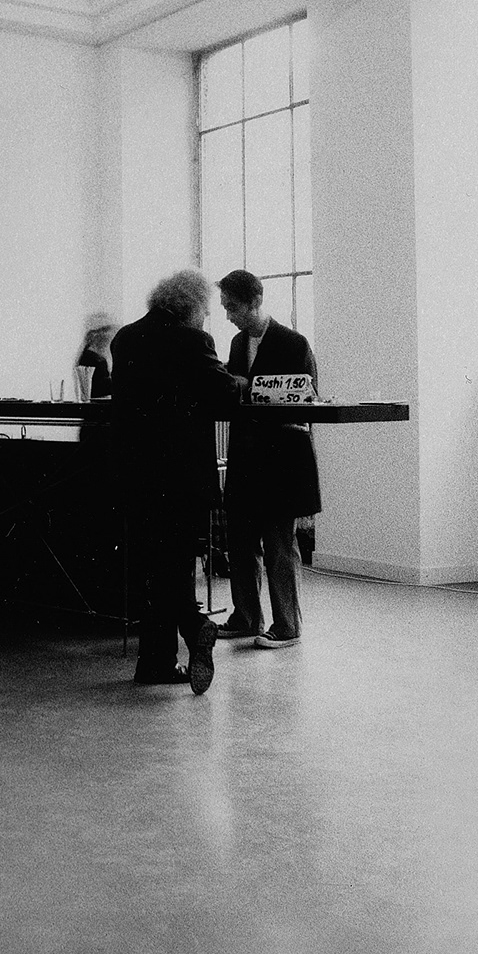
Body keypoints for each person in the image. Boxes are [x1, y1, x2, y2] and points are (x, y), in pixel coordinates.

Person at [108, 269, 239, 694]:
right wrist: (240, 381)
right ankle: (194, 625)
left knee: (153, 567)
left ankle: (156, 662)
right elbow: (223, 393)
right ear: (192, 306)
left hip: (135, 472)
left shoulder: (125, 338)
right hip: (180, 476)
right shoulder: (192, 340)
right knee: (176, 563)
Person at [215, 269, 322, 650]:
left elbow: (307, 398)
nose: (228, 315)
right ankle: (246, 617)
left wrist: (249, 389)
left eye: (233, 307)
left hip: (281, 459)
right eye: (225, 307)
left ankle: (287, 625)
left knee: (279, 545)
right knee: (241, 541)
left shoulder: (294, 343)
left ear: (255, 301)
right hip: (246, 455)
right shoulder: (236, 343)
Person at [76, 311, 116, 399]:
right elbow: (100, 388)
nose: (109, 334)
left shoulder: (92, 356)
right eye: (105, 330)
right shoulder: (94, 359)